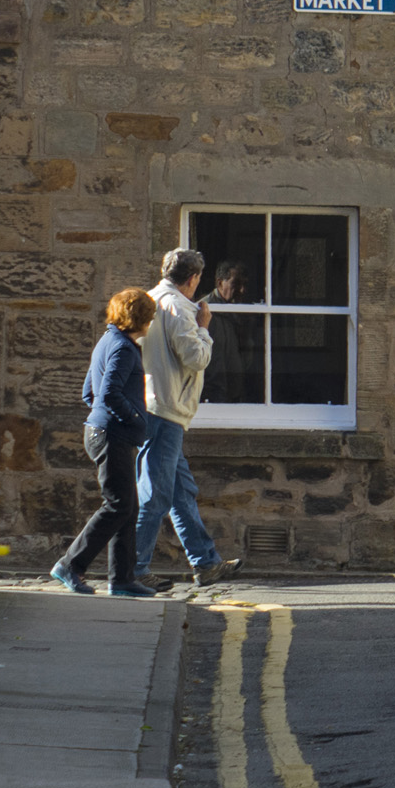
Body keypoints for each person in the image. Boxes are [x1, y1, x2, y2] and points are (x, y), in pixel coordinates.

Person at [134, 246, 235, 590]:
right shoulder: (178, 306)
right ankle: (134, 569)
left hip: (154, 404)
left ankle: (206, 563)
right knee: (155, 495)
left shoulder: (150, 299)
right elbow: (196, 357)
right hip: (166, 410)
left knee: (180, 491)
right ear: (193, 279)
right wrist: (205, 327)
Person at [51, 287, 158, 596]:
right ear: (139, 318)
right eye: (149, 318)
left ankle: (122, 580)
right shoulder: (124, 348)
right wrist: (137, 420)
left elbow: (89, 392)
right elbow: (108, 393)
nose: (150, 324)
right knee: (118, 505)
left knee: (128, 506)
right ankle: (70, 565)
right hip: (113, 436)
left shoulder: (107, 342)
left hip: (104, 432)